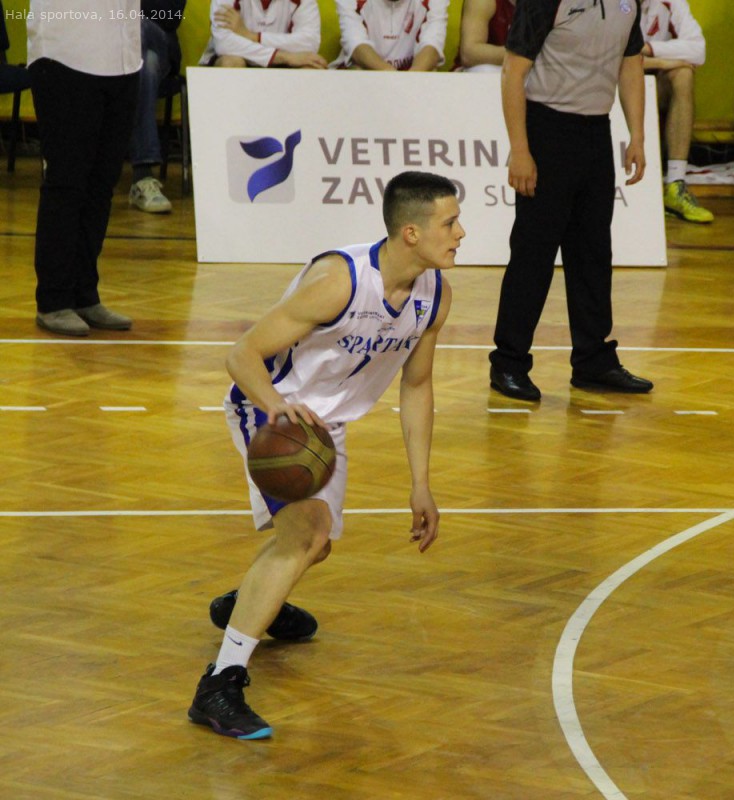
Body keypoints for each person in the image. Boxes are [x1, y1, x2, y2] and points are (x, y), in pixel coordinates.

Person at [188, 172, 460, 740]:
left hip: (325, 427)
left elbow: (417, 386)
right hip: (271, 411)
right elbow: (242, 355)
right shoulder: (338, 281)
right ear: (411, 232)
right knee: (306, 536)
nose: (461, 233)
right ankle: (219, 685)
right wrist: (278, 409)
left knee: (316, 546)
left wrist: (421, 483)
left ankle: (248, 603)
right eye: (450, 223)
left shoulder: (434, 296)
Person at [488, 0, 653, 403]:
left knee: (593, 252)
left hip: (597, 131)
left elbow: (630, 62)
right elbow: (513, 71)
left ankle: (593, 360)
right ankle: (509, 363)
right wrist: (520, 149)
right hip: (547, 128)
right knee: (533, 253)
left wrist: (637, 135)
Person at [28, 0, 140, 337]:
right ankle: (54, 299)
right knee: (67, 183)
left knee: (101, 185)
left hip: (123, 58)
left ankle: (84, 293)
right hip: (67, 55)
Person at [641, 0, 713, 224]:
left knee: (683, 74)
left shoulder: (671, 2)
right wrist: (662, 62)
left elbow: (698, 49)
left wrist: (649, 49)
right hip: (608, 85)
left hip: (649, 85)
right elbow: (608, 57)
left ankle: (675, 183)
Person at [128, 0, 186, 215]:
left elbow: (170, 15)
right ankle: (142, 177)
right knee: (146, 65)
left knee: (137, 25)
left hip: (160, 43)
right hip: (117, 56)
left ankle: (142, 172)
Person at [200, 0, 327, 69]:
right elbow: (224, 44)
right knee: (231, 62)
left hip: (283, 65)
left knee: (312, 67)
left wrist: (253, 36)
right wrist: (285, 57)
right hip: (238, 57)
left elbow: (309, 43)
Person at [331, 0, 450, 71]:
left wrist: (410, 81)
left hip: (413, 77)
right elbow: (356, 45)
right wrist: (393, 78)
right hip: (364, 73)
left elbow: (432, 45)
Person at [454, 0, 516, 72]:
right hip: (478, 70)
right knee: (485, 69)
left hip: (516, 68)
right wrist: (521, 54)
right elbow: (469, 54)